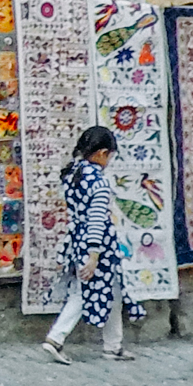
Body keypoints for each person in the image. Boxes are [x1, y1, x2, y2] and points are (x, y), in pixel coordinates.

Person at [41, 125, 144, 364]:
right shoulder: (98, 183)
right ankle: (55, 338)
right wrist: (94, 254)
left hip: (78, 237)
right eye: (109, 155)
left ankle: (113, 345)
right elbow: (97, 218)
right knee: (84, 291)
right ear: (101, 153)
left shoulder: (73, 174)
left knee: (112, 292)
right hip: (98, 244)